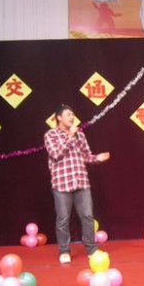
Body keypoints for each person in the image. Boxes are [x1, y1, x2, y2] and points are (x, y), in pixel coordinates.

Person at [44, 104, 110, 264]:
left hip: (81, 181)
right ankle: (64, 251)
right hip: (62, 183)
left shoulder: (79, 134)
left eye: (72, 114)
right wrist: (69, 137)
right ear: (59, 117)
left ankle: (92, 249)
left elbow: (85, 155)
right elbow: (56, 154)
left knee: (87, 216)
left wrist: (96, 158)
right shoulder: (51, 135)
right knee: (63, 218)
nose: (72, 117)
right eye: (68, 114)